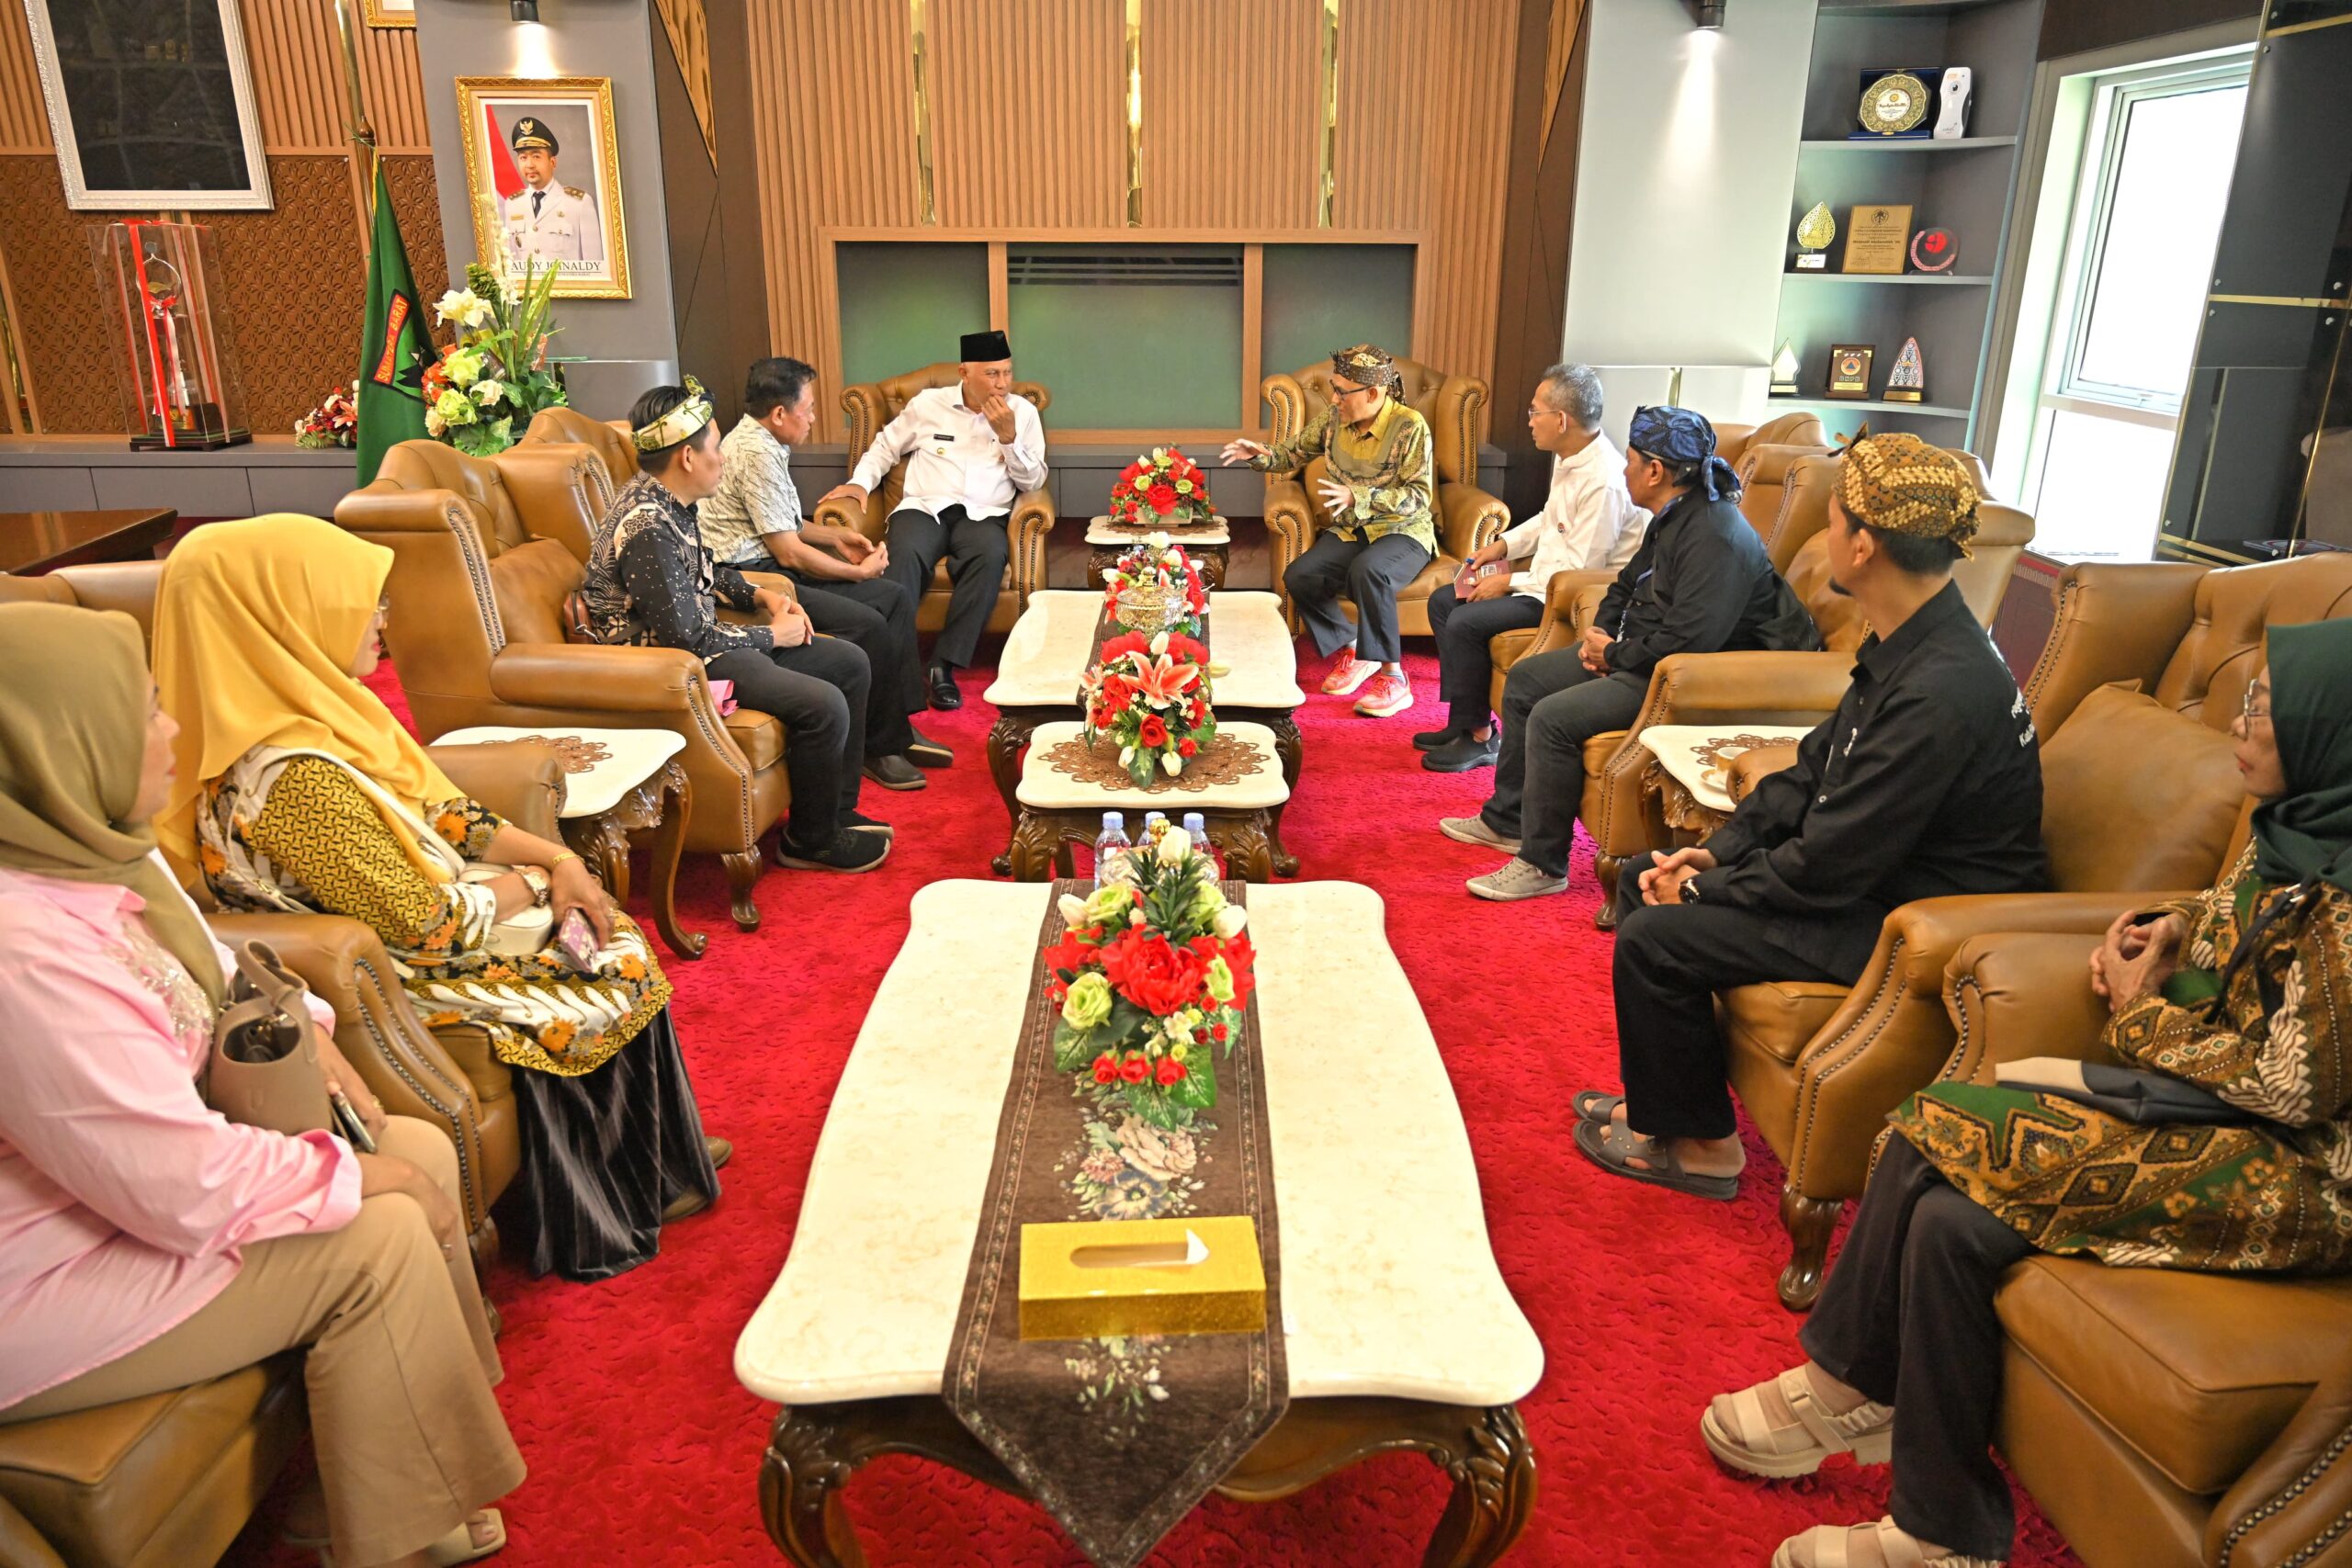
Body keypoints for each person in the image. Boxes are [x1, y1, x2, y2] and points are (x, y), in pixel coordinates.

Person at [1701, 620, 2352, 1568]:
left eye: (2267, 708)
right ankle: (1939, 1516)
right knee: (1946, 1209)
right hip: (2204, 1108)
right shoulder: (2293, 828)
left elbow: (2294, 1086)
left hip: (2300, 1175)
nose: (2244, 722)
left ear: (2329, 731)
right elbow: (2229, 915)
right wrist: (2170, 925)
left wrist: (2138, 1012)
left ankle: (1853, 1402)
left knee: (1944, 1135)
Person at [0, 601, 524, 1568]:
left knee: (410, 1144)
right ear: (61, 746)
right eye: (144, 712)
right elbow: (173, 1183)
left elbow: (217, 967)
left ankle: (392, 1463)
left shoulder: (101, 848)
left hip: (112, 1197)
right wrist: (353, 1178)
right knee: (377, 1235)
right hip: (38, 1273)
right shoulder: (21, 954)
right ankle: (392, 1532)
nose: (171, 731)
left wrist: (313, 1032)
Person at [154, 514, 725, 1283]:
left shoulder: (323, 713)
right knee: (597, 966)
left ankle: (654, 1155)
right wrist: (539, 884)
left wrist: (558, 857)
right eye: (364, 601)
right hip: (395, 966)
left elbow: (443, 814)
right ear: (293, 615)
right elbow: (429, 926)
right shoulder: (292, 780)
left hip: (425, 914)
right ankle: (609, 1198)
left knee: (601, 924)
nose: (383, 619)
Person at [1571, 434, 2044, 1202]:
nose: (1823, 540)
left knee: (1659, 936)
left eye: (1832, 521)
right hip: (1874, 882)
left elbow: (1830, 862)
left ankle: (1706, 1148)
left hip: (1917, 923)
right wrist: (1716, 856)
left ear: (1863, 545)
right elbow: (1813, 771)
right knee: (1644, 883)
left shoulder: (1941, 689)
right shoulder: (1917, 640)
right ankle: (1668, 1109)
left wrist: (1701, 892)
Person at [1446, 405, 1818, 900]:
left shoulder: (1716, 536)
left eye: (1631, 460)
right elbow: (1624, 584)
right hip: (1646, 654)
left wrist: (1615, 656)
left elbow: (1692, 643)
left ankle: (1543, 864)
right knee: (1528, 679)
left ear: (1656, 471)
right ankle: (1507, 820)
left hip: (1698, 677)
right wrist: (1599, 635)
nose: (1624, 470)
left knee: (1553, 718)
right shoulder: (1674, 514)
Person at [584, 378, 891, 872]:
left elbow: (705, 571)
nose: (723, 457)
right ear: (688, 457)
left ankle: (833, 814)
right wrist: (772, 634)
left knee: (849, 663)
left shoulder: (668, 501)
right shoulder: (647, 527)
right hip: (671, 663)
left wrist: (763, 595)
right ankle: (810, 842)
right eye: (715, 446)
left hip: (705, 642)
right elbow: (686, 638)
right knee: (823, 702)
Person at [699, 357, 954, 789]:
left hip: (769, 561)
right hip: (754, 576)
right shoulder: (756, 452)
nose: (814, 418)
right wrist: (857, 574)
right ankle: (878, 748)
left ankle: (896, 728)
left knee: (893, 596)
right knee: (870, 620)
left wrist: (836, 538)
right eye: (809, 409)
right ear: (779, 414)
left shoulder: (761, 440)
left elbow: (784, 525)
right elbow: (790, 554)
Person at [1419, 363, 1647, 772]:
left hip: (1573, 598)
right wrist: (1501, 546)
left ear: (1561, 419)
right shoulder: (1570, 456)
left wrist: (1508, 581)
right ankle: (1463, 721)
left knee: (1465, 621)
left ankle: (1480, 739)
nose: (1529, 421)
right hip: (1542, 582)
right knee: (1442, 601)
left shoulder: (1604, 480)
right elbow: (1548, 518)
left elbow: (1578, 572)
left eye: (1534, 412)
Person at [819, 330, 1048, 711]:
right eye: (992, 374)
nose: (1002, 383)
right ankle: (895, 666)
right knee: (903, 555)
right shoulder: (929, 404)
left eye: (1007, 372)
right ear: (965, 373)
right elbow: (885, 447)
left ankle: (944, 664)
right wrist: (860, 483)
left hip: (984, 514)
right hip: (925, 508)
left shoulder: (1022, 414)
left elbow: (1033, 482)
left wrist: (1009, 439)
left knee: (989, 557)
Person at [1223, 343, 1435, 719]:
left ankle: (1394, 677)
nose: (1334, 398)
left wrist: (1359, 496)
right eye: (1334, 389)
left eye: (1342, 391)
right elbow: (1293, 453)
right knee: (1300, 575)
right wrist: (1260, 456)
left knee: (1370, 570)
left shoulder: (1409, 426)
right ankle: (1355, 647)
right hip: (1352, 529)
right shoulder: (1334, 419)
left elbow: (1418, 496)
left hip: (1402, 531)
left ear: (1373, 393)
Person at [501, 115, 603, 267]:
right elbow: (511, 266)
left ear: (552, 162)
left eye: (536, 156)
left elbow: (596, 267)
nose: (529, 165)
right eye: (523, 158)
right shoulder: (512, 204)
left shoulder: (579, 204)